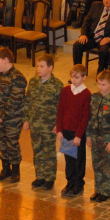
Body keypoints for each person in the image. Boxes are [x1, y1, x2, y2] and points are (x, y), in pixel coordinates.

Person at [0, 47, 27, 183]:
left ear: (6, 60)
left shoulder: (18, 77)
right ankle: (5, 169)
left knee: (12, 143)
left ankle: (15, 170)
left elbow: (15, 100)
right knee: (2, 143)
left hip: (12, 118)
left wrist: (2, 115)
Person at [24, 54, 63, 189]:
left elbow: (60, 107)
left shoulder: (57, 85)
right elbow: (28, 101)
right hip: (35, 123)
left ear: (50, 68)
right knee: (37, 150)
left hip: (48, 125)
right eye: (37, 66)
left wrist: (58, 124)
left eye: (42, 66)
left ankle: (49, 178)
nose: (38, 69)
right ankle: (40, 176)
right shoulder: (33, 82)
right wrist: (26, 119)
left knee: (49, 151)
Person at [56, 64, 91, 196]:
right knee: (68, 158)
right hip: (66, 131)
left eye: (77, 77)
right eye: (72, 77)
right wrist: (59, 130)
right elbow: (60, 110)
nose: (74, 79)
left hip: (77, 134)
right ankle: (69, 182)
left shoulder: (86, 94)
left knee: (79, 159)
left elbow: (85, 116)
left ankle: (78, 184)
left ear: (84, 77)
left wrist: (79, 135)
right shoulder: (65, 91)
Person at [72, 0, 110, 74]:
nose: (106, 1)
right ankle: (77, 72)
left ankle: (100, 72)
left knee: (104, 50)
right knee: (77, 45)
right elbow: (86, 21)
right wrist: (83, 34)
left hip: (106, 38)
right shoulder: (96, 5)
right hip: (92, 36)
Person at [86, 70, 110, 202]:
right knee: (97, 165)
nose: (100, 87)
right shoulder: (94, 98)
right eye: (99, 84)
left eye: (104, 84)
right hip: (95, 138)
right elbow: (90, 118)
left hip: (107, 140)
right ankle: (98, 190)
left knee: (108, 166)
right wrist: (88, 135)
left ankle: (106, 192)